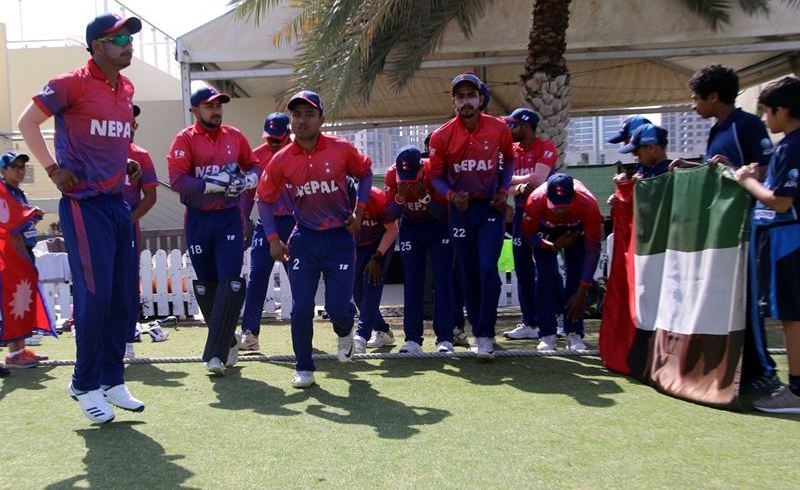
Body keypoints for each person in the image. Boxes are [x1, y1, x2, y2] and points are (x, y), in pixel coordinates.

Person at [17, 12, 146, 423]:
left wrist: (124, 162)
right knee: (95, 297)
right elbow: (27, 122)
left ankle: (112, 380)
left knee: (123, 296)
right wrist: (53, 169)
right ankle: (84, 384)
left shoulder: (126, 87)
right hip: (83, 204)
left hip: (117, 203)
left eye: (129, 39)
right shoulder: (68, 84)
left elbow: (108, 138)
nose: (128, 45)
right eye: (119, 39)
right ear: (96, 46)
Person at [256, 90, 373, 388]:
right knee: (301, 308)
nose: (302, 120)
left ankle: (345, 331)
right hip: (305, 241)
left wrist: (359, 212)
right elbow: (264, 199)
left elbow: (365, 173)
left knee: (337, 307)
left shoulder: (341, 149)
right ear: (291, 121)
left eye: (309, 114)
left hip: (339, 240)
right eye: (297, 114)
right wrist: (273, 238)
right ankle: (304, 368)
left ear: (322, 119)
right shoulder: (282, 159)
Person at [673, 63, 778, 394]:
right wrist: (691, 167)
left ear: (714, 96)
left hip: (746, 226)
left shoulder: (746, 125)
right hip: (720, 232)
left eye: (696, 98)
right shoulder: (717, 128)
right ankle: (737, 369)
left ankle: (765, 372)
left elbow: (766, 171)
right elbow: (717, 171)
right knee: (726, 300)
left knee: (748, 300)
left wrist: (734, 170)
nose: (693, 106)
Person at [167, 86, 259, 376]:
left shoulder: (234, 136)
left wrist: (246, 181)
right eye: (209, 106)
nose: (216, 110)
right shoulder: (184, 140)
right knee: (206, 287)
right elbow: (177, 180)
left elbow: (254, 166)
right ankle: (228, 340)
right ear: (194, 111)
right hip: (198, 220)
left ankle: (214, 355)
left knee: (230, 282)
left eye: (219, 105)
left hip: (228, 218)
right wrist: (215, 184)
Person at [428, 72, 515, 359]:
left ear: (480, 99)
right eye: (460, 97)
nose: (466, 102)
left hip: (489, 208)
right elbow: (436, 176)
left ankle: (486, 333)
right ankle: (479, 332)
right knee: (467, 273)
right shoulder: (441, 136)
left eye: (471, 96)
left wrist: (503, 190)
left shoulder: (498, 128)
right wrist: (452, 196)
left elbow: (509, 159)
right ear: (453, 101)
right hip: (460, 211)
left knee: (487, 268)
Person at [733, 76, 800, 413]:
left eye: (767, 112)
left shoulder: (792, 146)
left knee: (792, 316)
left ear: (783, 111)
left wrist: (746, 181)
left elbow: (781, 202)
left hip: (789, 240)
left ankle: (797, 390)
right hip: (787, 238)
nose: (764, 120)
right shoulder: (789, 146)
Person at [521, 173, 603, 352]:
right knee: (545, 277)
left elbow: (593, 250)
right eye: (555, 206)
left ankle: (574, 333)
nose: (560, 211)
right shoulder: (535, 200)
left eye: (564, 206)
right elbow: (527, 235)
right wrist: (552, 245)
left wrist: (582, 291)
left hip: (576, 232)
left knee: (576, 275)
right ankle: (547, 334)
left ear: (573, 197)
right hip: (545, 233)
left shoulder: (588, 203)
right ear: (547, 198)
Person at [384, 145, 455, 353]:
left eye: (412, 178)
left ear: (422, 169)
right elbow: (388, 216)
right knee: (413, 281)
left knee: (443, 281)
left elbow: (445, 214)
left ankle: (445, 338)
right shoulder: (391, 174)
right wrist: (400, 198)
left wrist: (425, 197)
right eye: (404, 178)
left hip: (438, 228)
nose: (408, 182)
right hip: (411, 228)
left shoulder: (435, 170)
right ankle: (413, 339)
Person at [500, 108, 558, 341]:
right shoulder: (511, 151)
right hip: (520, 214)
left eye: (513, 125)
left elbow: (538, 180)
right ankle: (530, 322)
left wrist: (514, 182)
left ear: (525, 126)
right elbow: (502, 184)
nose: (509, 129)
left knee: (547, 269)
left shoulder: (546, 147)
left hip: (544, 215)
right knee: (522, 268)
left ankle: (556, 319)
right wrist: (519, 185)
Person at [238, 112, 293, 352]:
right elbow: (247, 196)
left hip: (295, 223)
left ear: (288, 135)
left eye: (277, 139)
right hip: (266, 223)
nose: (272, 143)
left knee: (300, 279)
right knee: (257, 275)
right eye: (269, 138)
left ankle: (303, 332)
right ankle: (250, 334)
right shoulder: (256, 157)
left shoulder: (300, 154)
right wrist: (241, 224)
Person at [0, 151, 49, 368]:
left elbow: (22, 225)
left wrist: (33, 218)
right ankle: (14, 354)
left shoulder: (17, 193)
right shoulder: (5, 194)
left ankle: (20, 350)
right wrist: (23, 259)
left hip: (22, 252)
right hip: (13, 255)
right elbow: (11, 229)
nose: (21, 171)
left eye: (23, 167)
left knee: (22, 301)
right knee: (14, 302)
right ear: (3, 171)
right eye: (15, 167)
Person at [122, 104, 158, 359]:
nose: (131, 128)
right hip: (98, 228)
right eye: (126, 122)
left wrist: (128, 221)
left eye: (133, 124)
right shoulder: (96, 153)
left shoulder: (141, 155)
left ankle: (126, 341)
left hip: (127, 230)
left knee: (127, 283)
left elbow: (151, 196)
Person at [351, 186, 398, 354]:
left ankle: (361, 337)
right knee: (357, 292)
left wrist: (377, 257)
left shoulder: (376, 198)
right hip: (358, 245)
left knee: (371, 286)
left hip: (379, 243)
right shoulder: (336, 200)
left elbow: (392, 229)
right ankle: (383, 331)